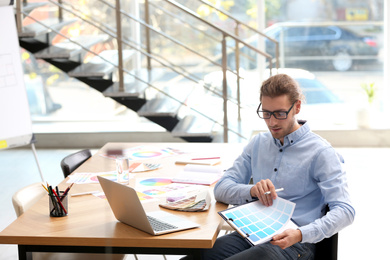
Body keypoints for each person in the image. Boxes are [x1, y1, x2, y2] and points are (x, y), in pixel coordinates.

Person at [203, 73, 355, 260]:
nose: (272, 122)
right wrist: (252, 191)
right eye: (266, 113)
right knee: (200, 255)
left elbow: (346, 211)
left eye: (280, 114)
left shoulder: (321, 152)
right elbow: (221, 189)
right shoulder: (258, 143)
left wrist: (301, 233)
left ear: (297, 107)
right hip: (255, 231)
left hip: (295, 242)